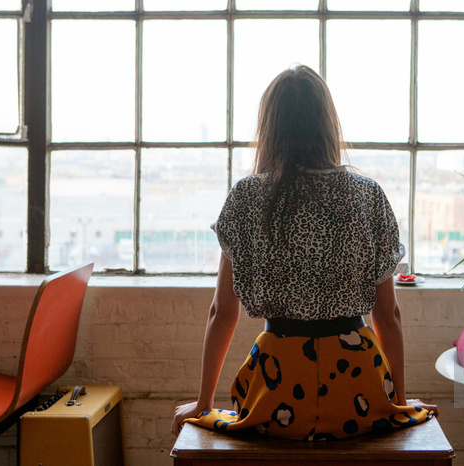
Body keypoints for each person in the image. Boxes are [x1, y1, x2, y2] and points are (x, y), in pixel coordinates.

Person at [171, 64, 437, 441]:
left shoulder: (246, 196)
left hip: (276, 388)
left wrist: (202, 402)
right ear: (328, 125)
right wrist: (399, 401)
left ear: (269, 128)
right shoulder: (368, 195)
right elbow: (388, 314)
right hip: (359, 387)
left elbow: (221, 312)